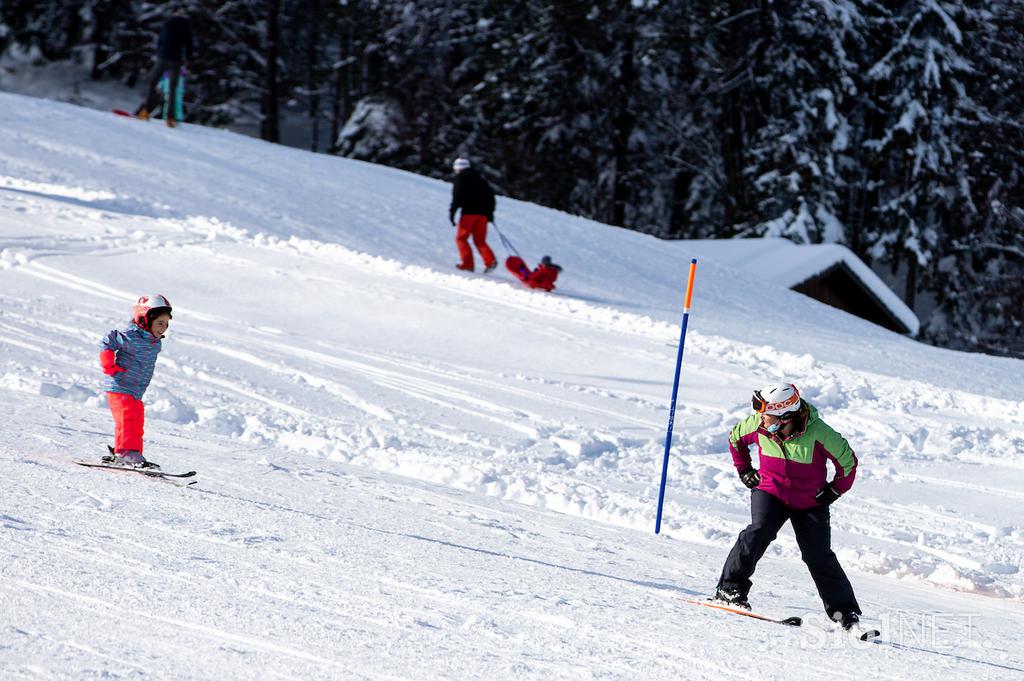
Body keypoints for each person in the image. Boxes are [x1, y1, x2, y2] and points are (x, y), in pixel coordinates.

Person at [714, 382, 863, 629]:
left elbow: (848, 464)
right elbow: (735, 439)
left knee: (818, 555)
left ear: (786, 415)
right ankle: (730, 590)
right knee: (758, 531)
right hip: (770, 491)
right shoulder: (759, 426)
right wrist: (745, 471)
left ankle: (845, 614)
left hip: (809, 501)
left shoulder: (820, 433)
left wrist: (834, 490)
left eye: (767, 413)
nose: (761, 419)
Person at [99, 295, 173, 468]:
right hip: (120, 385)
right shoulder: (131, 336)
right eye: (160, 323)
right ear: (144, 319)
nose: (163, 328)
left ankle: (127, 452)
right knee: (128, 419)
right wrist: (108, 362)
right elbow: (107, 341)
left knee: (136, 421)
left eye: (166, 324)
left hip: (135, 390)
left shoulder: (154, 342)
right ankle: (127, 453)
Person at [135, 6, 193, 126]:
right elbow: (189, 44)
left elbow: (160, 41)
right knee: (172, 89)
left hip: (162, 58)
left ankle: (146, 111)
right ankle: (170, 118)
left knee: (153, 84)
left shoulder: (167, 23)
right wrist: (188, 58)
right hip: (176, 60)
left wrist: (158, 53)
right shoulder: (186, 26)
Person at [448, 157, 497, 273]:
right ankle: (490, 261)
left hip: (469, 214)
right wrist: (489, 213)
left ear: (458, 168)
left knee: (461, 238)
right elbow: (491, 197)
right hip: (483, 216)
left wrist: (452, 213)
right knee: (480, 240)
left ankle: (467, 264)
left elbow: (457, 197)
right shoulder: (481, 180)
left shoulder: (460, 179)